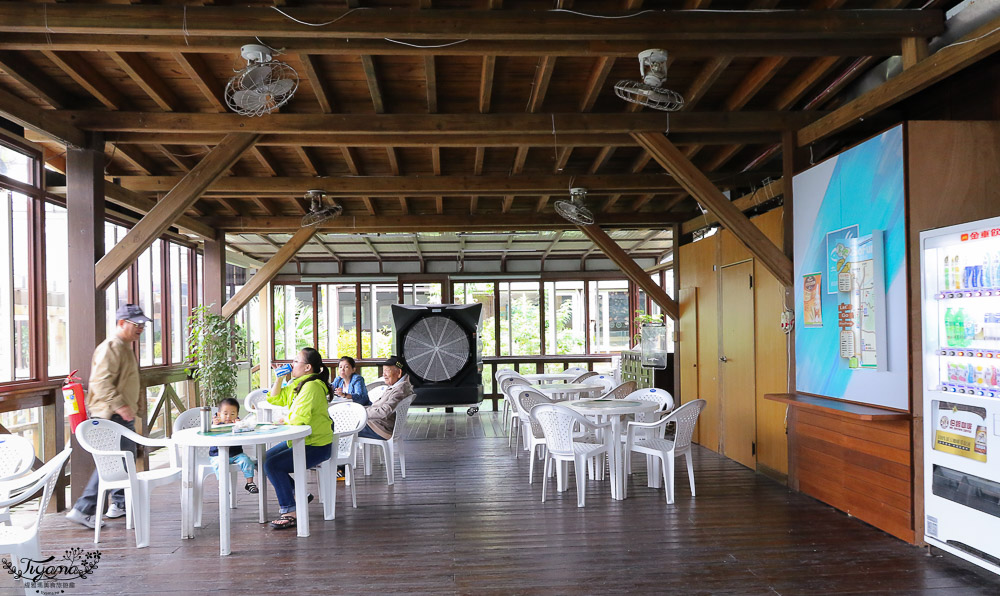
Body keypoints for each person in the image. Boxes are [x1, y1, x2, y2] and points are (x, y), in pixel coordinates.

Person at [66, 304, 150, 529]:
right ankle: (84, 508)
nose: (140, 328)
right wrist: (121, 406)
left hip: (120, 415)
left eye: (142, 324)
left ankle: (120, 504)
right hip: (112, 415)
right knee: (113, 463)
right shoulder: (112, 346)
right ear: (121, 323)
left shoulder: (124, 346)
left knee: (125, 459)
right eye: (136, 324)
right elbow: (100, 382)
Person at [264, 347, 334, 529]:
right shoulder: (299, 383)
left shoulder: (311, 386)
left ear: (307, 367)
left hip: (317, 444)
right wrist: (279, 378)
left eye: (296, 361)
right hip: (301, 441)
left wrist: (282, 421)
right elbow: (274, 399)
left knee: (272, 465)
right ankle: (300, 494)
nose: (291, 364)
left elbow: (299, 420)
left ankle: (290, 510)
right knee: (263, 460)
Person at [210, 397, 258, 494]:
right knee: (219, 464)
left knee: (247, 461)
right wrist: (214, 425)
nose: (228, 417)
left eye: (232, 414)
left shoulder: (237, 425)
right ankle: (223, 484)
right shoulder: (215, 424)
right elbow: (208, 432)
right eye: (225, 413)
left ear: (237, 415)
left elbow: (245, 434)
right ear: (219, 414)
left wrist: (240, 425)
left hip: (236, 454)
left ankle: (250, 483)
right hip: (218, 455)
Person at [359, 355, 413, 441]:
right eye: (383, 371)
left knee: (341, 426)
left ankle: (338, 453)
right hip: (376, 424)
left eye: (386, 371)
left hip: (380, 429)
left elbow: (384, 411)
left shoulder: (400, 390)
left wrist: (360, 413)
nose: (383, 375)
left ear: (399, 373)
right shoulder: (398, 386)